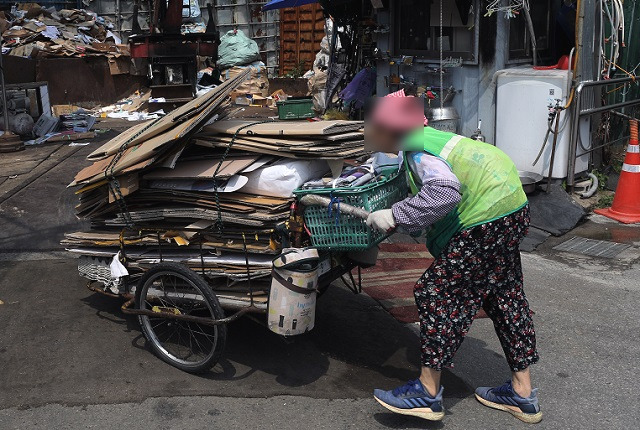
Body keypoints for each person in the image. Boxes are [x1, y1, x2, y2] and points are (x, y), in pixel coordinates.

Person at [365, 94, 541, 424]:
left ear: (391, 130)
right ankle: (522, 393)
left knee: (436, 291)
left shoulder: (416, 149)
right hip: (512, 207)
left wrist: (395, 214)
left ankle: (426, 393)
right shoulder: (438, 137)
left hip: (485, 218)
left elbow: (444, 193)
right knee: (504, 295)